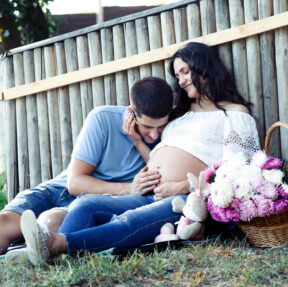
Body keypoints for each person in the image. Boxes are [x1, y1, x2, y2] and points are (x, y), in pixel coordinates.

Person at [13, 42, 261, 266]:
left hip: (187, 200)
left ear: (205, 67)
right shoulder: (182, 114)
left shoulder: (234, 114)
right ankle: (47, 254)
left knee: (130, 219)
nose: (182, 80)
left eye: (186, 71)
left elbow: (237, 172)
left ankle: (56, 245)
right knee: (85, 204)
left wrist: (179, 186)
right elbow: (161, 160)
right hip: (152, 193)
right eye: (178, 75)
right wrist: (137, 142)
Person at [0, 77, 174, 256]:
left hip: (93, 202)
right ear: (131, 113)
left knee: (49, 224)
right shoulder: (102, 118)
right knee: (4, 224)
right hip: (60, 188)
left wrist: (138, 142)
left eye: (160, 127)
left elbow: (159, 176)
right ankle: (23, 249)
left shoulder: (170, 134)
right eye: (147, 127)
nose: (154, 135)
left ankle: (25, 253)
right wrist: (130, 188)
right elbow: (74, 183)